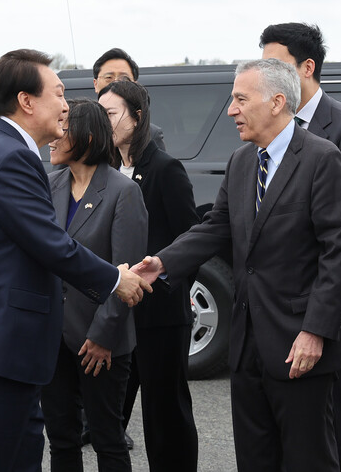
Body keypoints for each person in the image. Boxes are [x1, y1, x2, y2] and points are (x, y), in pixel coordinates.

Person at [0, 49, 152, 472]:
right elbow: (51, 244)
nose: (68, 106)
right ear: (27, 101)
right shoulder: (11, 157)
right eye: (59, 94)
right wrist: (117, 280)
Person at [133, 58, 341, 472]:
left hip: (299, 346)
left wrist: (315, 331)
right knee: (255, 460)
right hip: (247, 344)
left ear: (276, 102)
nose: (231, 109)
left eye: (240, 98)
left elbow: (339, 254)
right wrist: (161, 263)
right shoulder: (242, 162)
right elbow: (216, 227)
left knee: (309, 460)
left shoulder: (322, 159)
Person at [260, 22, 341, 471]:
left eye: (277, 64)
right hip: (285, 304)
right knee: (303, 419)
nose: (266, 74)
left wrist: (317, 292)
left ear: (307, 67)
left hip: (340, 300)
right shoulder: (271, 129)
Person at [41, 98, 148, 471]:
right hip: (53, 338)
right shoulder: (49, 184)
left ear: (86, 136)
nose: (52, 137)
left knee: (107, 440)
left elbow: (127, 275)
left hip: (100, 341)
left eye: (62, 128)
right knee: (61, 439)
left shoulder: (122, 192)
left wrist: (103, 336)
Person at [98, 80, 199, 471]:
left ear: (136, 117)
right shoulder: (105, 167)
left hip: (159, 316)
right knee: (109, 413)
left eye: (111, 114)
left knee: (165, 414)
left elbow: (189, 239)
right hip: (116, 312)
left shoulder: (164, 168)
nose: (105, 122)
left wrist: (165, 283)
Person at [93, 48, 166, 151]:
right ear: (95, 84)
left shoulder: (150, 134)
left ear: (135, 85)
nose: (116, 83)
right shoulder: (82, 131)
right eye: (109, 77)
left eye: (124, 79)